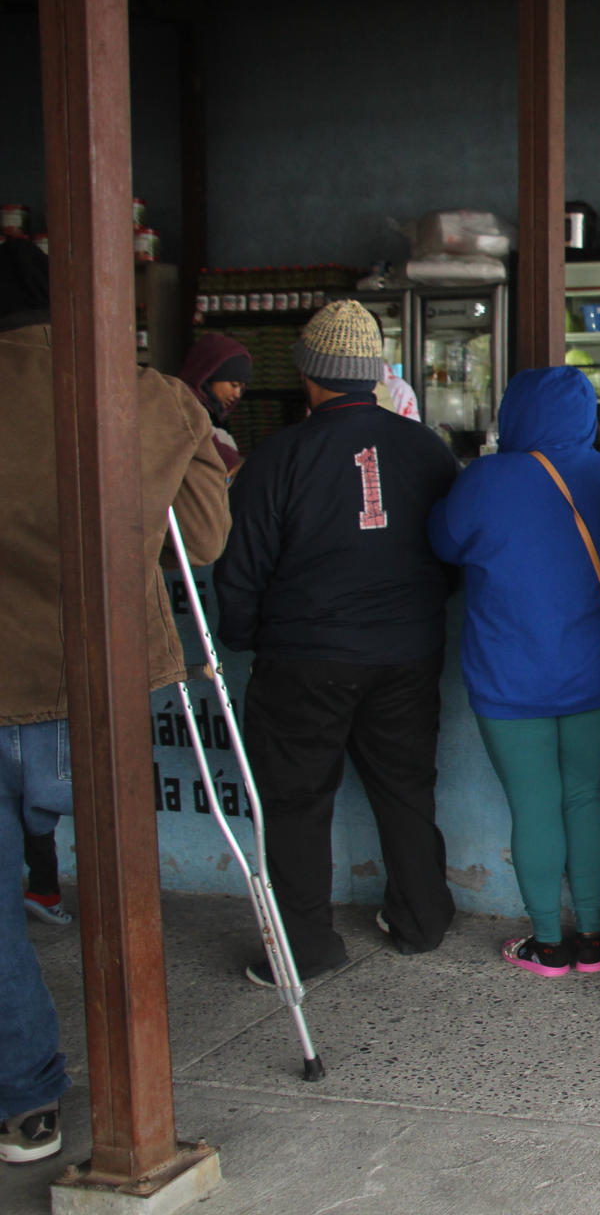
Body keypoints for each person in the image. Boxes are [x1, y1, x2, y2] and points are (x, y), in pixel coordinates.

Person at [0, 236, 229, 1165]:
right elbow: (205, 543)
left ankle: (25, 1101)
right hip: (94, 687)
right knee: (117, 886)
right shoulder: (148, 395)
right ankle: (135, 1092)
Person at [214, 300, 460, 983]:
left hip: (304, 658)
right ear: (375, 374)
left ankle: (306, 950)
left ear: (310, 375)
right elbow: (451, 557)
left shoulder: (277, 456)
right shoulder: (426, 447)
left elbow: (241, 571)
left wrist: (246, 639)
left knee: (294, 803)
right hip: (407, 654)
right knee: (407, 787)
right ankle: (422, 919)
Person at [429, 366, 600, 977]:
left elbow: (441, 541)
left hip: (507, 679)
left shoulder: (485, 479)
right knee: (582, 796)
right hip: (592, 673)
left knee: (534, 804)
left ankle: (547, 944)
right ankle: (594, 939)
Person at [179, 331, 252, 475]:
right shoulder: (184, 409)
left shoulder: (210, 417)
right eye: (233, 384)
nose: (237, 394)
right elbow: (226, 460)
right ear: (210, 375)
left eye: (241, 388)